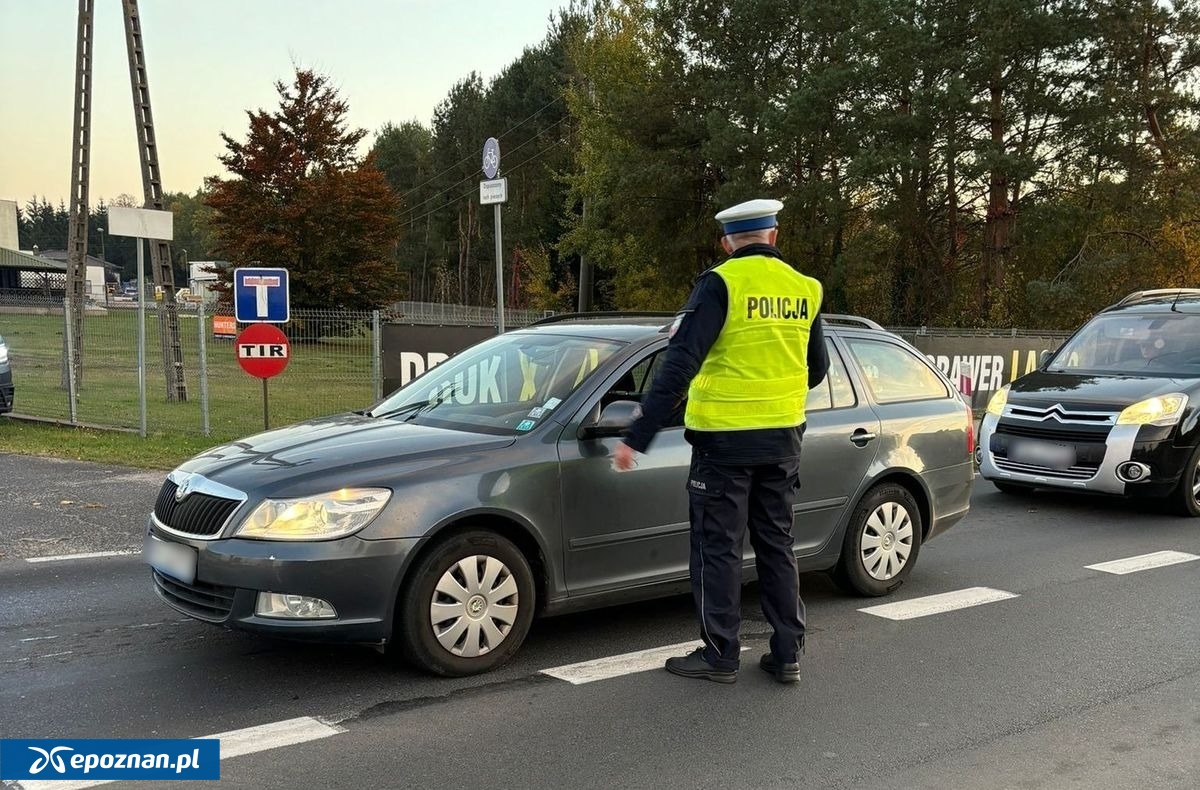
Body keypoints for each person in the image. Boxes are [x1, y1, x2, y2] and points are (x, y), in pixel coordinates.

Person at [613, 198, 828, 685]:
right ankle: (787, 653)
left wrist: (638, 435)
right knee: (777, 544)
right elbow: (816, 369)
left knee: (719, 548)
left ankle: (720, 654)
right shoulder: (806, 287)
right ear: (773, 236)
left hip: (724, 445)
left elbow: (679, 363)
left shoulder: (720, 283)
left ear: (727, 242)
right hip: (783, 440)